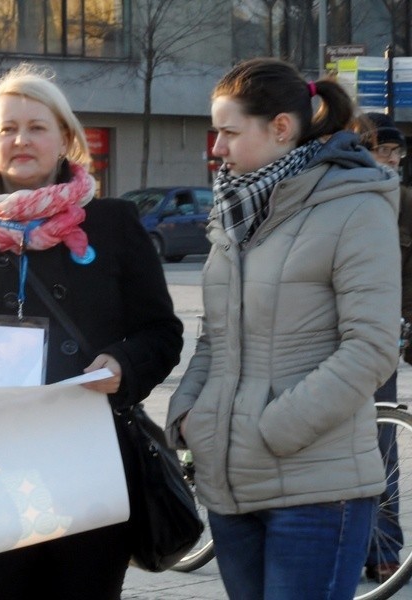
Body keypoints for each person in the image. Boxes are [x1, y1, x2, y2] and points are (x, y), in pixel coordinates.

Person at [0, 63, 184, 600]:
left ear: (65, 138)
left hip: (89, 455)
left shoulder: (113, 223)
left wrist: (122, 364)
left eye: (37, 127)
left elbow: (161, 331)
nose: (21, 139)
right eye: (7, 128)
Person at [166, 57, 401, 600]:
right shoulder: (235, 213)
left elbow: (371, 347)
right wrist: (187, 415)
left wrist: (274, 430)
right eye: (214, 133)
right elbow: (216, 337)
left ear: (280, 127)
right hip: (230, 486)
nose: (216, 149)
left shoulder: (354, 206)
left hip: (318, 489)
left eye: (229, 132)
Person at [353, 111, 412, 583]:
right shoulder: (344, 197)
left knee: (381, 442)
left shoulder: (403, 203)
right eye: (383, 150)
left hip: (383, 336)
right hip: (333, 334)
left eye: (396, 152)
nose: (392, 160)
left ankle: (383, 547)